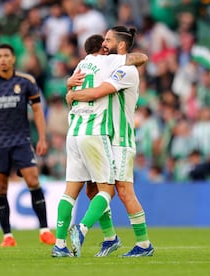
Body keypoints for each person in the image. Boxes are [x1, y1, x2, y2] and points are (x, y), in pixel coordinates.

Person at [52, 34, 148, 257]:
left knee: (85, 191)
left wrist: (71, 91)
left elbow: (84, 89)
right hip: (96, 133)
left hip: (87, 135)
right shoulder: (107, 62)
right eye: (104, 41)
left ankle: (63, 242)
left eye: (109, 39)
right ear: (102, 50)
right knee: (102, 189)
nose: (106, 44)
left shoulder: (85, 65)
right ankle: (96, 234)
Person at [0, 43, 56, 247]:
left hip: (21, 140)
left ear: (13, 59)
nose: (2, 59)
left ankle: (44, 230)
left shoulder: (26, 81)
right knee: (0, 187)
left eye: (6, 56)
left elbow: (38, 111)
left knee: (33, 179)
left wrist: (43, 138)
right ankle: (7, 236)